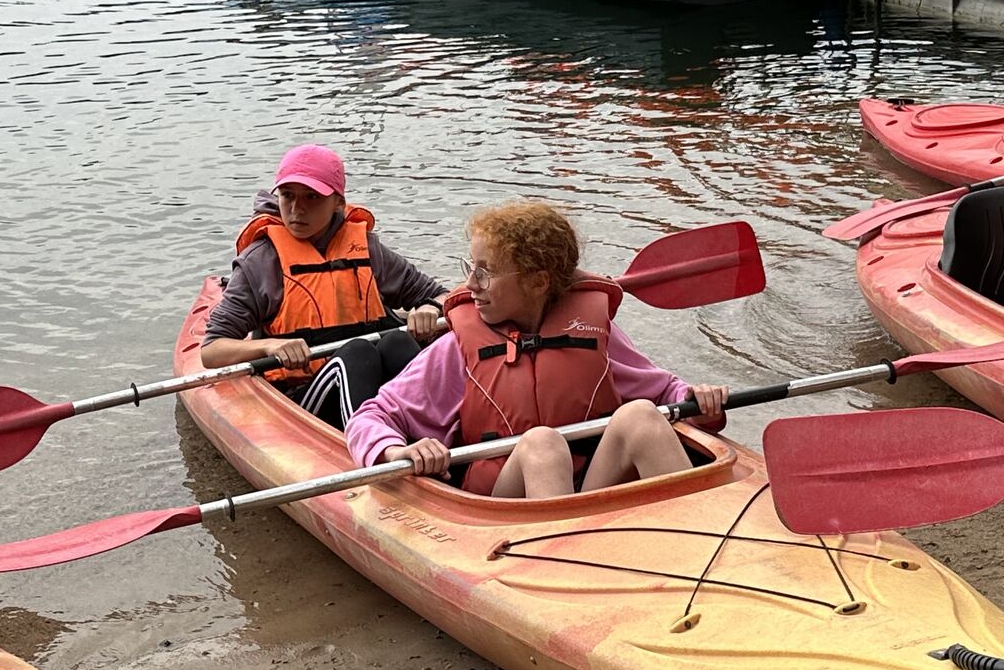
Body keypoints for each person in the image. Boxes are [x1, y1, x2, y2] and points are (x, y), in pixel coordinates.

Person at [345, 202, 728, 498]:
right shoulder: (457, 348)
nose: (470, 284)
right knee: (542, 444)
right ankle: (563, 563)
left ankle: (705, 538)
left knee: (641, 415)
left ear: (538, 282)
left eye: (486, 272)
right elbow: (370, 417)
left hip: (586, 489)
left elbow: (664, 393)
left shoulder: (592, 331)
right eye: (471, 267)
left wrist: (696, 401)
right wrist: (395, 451)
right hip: (508, 507)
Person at [199, 145, 447, 427]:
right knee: (357, 352)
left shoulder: (366, 249)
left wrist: (430, 308)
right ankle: (371, 441)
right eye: (287, 195)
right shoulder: (261, 262)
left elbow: (442, 296)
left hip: (373, 388)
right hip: (302, 394)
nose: (297, 209)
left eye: (312, 197)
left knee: (397, 342)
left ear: (338, 202)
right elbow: (212, 351)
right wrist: (269, 346)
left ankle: (439, 432)